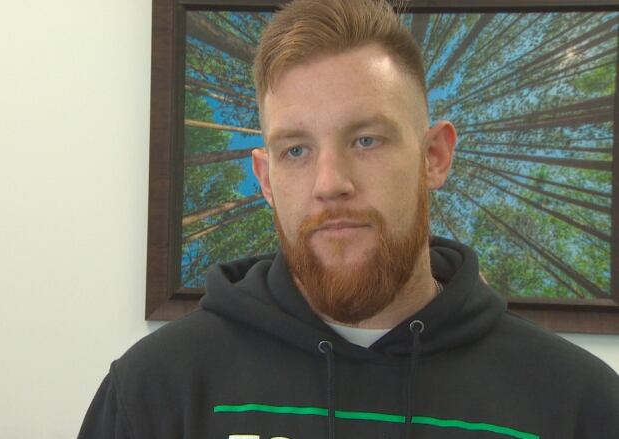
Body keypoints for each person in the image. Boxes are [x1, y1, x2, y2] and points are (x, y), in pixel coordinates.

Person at [78, 0, 619, 437]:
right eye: (296, 150)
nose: (329, 182)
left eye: (366, 139)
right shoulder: (153, 391)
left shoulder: (579, 405)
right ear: (266, 180)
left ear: (435, 156)